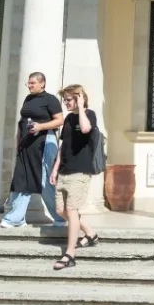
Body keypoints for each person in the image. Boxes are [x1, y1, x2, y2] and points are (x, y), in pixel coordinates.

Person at [1, 72, 67, 228]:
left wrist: (41, 126)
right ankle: (16, 218)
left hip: (44, 143)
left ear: (42, 83)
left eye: (32, 83)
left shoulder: (50, 100)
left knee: (45, 180)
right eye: (28, 83)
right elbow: (22, 121)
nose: (29, 86)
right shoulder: (28, 99)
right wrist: (18, 140)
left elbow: (60, 121)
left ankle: (60, 217)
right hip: (26, 144)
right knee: (21, 178)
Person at [49, 84, 101, 270]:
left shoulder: (89, 115)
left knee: (71, 210)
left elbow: (86, 129)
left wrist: (81, 107)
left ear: (80, 98)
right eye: (65, 100)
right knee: (60, 210)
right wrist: (55, 169)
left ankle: (70, 253)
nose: (66, 103)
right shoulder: (69, 118)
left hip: (80, 171)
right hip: (64, 170)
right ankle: (90, 234)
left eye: (69, 99)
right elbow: (63, 146)